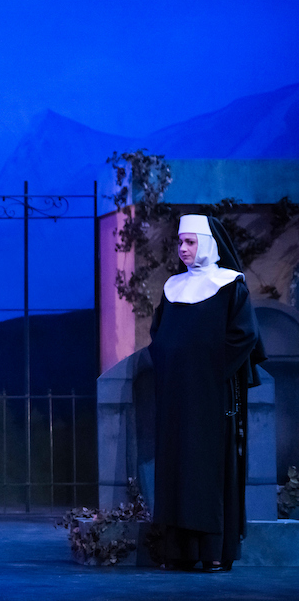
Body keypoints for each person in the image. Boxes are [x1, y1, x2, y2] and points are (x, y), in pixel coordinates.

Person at [149, 214, 265, 572]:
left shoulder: (230, 285)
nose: (183, 249)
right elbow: (159, 337)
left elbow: (245, 335)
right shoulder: (172, 288)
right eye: (180, 242)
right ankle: (179, 551)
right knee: (176, 468)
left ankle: (214, 550)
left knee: (209, 470)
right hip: (176, 395)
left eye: (190, 242)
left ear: (209, 244)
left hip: (214, 395)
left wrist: (204, 364)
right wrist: (175, 362)